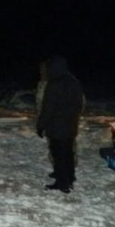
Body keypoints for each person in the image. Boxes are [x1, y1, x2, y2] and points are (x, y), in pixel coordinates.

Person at [36, 55, 84, 193]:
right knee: (68, 152)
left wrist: (41, 125)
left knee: (59, 154)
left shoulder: (55, 83)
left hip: (57, 126)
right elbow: (79, 104)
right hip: (70, 124)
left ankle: (62, 183)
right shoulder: (73, 81)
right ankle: (69, 176)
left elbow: (48, 107)